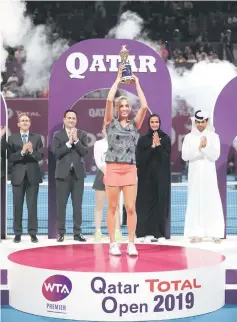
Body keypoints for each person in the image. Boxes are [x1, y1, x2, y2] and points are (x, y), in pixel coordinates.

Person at [104, 64, 148, 256]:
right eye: (120, 106)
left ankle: (131, 243)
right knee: (112, 208)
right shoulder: (110, 123)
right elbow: (108, 99)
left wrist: (137, 83)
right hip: (113, 169)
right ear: (116, 108)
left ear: (129, 109)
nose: (123, 108)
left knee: (131, 208)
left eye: (126, 106)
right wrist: (117, 79)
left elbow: (145, 106)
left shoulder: (135, 125)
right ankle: (113, 243)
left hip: (130, 169)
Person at [182, 109, 225, 243]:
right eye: (198, 122)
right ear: (195, 122)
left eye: (203, 122)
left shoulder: (214, 136)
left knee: (212, 201)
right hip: (194, 177)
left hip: (209, 177)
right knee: (195, 202)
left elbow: (215, 155)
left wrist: (205, 148)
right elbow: (185, 156)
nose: (200, 124)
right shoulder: (189, 137)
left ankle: (215, 233)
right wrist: (199, 148)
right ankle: (196, 233)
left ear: (207, 121)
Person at [53, 109, 88, 242]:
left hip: (78, 175)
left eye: (73, 118)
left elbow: (84, 152)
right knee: (61, 205)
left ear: (76, 120)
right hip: (62, 175)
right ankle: (61, 232)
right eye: (69, 118)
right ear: (64, 119)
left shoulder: (82, 134)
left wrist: (76, 140)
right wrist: (68, 143)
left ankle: (77, 233)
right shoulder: (58, 135)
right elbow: (56, 153)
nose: (71, 120)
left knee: (77, 205)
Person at [8, 113, 44, 243]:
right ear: (18, 124)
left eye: (27, 120)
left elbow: (40, 156)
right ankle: (17, 233)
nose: (24, 122)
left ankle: (33, 233)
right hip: (17, 177)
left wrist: (31, 152)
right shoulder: (12, 138)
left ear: (30, 123)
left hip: (33, 176)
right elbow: (10, 157)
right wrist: (22, 152)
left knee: (32, 206)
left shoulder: (36, 138)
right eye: (22, 120)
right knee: (17, 206)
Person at [135, 114, 171, 242]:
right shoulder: (143, 140)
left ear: (159, 123)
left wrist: (159, 146)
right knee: (145, 204)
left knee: (161, 204)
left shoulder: (166, 139)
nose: (154, 124)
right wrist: (152, 147)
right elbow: (139, 160)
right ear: (149, 123)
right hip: (146, 178)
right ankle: (145, 233)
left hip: (161, 178)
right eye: (152, 122)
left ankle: (160, 233)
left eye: (156, 122)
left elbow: (166, 159)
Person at [92, 126, 122, 241]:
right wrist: (106, 172)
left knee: (116, 206)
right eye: (106, 129)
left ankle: (117, 231)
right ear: (103, 130)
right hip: (102, 175)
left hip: (116, 176)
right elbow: (98, 161)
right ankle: (98, 232)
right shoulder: (98, 144)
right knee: (99, 205)